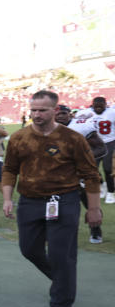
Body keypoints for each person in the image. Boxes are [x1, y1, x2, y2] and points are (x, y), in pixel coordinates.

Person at [2, 91, 101, 307]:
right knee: (29, 249)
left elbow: (91, 175)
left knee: (61, 254)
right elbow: (9, 169)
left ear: (55, 110)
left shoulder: (72, 139)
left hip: (64, 200)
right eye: (33, 110)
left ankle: (60, 306)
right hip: (30, 201)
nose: (37, 114)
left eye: (42, 110)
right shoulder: (19, 138)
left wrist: (94, 209)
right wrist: (7, 198)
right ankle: (62, 281)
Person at [56, 104, 105, 244]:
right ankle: (57, 233)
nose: (60, 116)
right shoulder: (47, 128)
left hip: (81, 172)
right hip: (57, 173)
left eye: (63, 113)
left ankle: (95, 230)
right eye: (57, 113)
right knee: (55, 203)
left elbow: (100, 148)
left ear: (70, 114)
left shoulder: (81, 126)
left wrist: (81, 159)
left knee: (89, 203)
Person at [85, 96, 115, 204]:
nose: (98, 108)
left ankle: (111, 193)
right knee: (93, 169)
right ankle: (102, 185)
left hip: (109, 142)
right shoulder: (86, 113)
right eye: (96, 106)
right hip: (94, 144)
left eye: (100, 106)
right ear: (92, 105)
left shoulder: (112, 112)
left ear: (105, 105)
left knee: (108, 169)